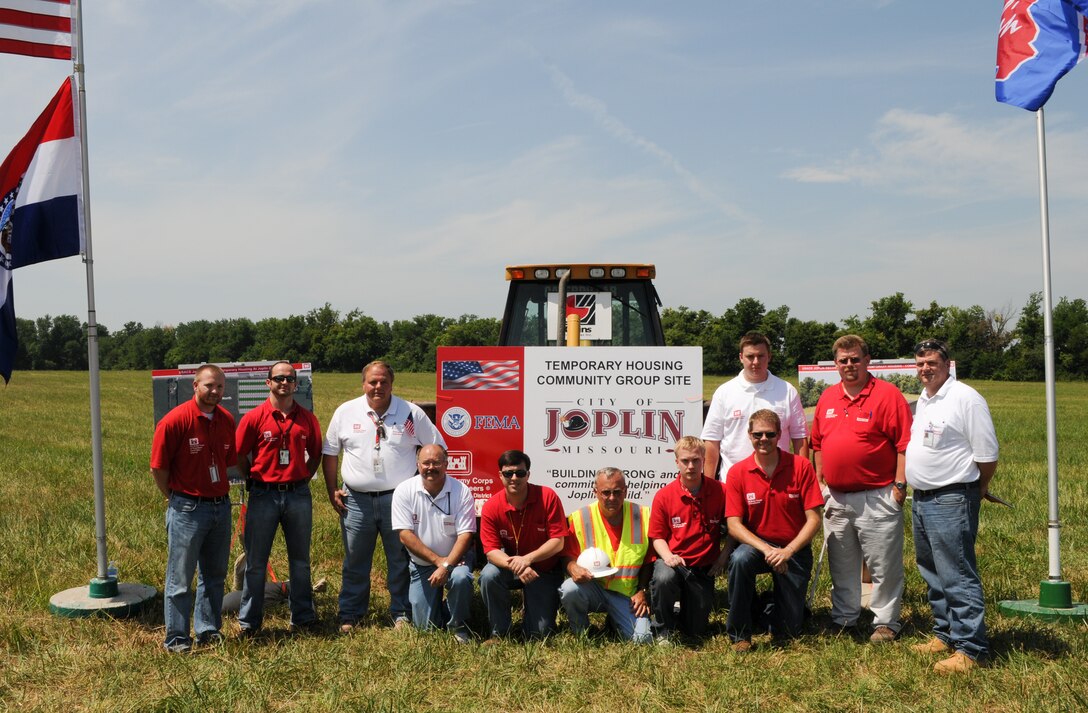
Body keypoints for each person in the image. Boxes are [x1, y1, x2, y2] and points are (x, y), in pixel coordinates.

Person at [322, 360, 446, 633]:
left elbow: (436, 448)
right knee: (355, 559)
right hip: (355, 500)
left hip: (399, 500)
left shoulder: (410, 413)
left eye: (383, 382)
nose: (378, 387)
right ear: (363, 383)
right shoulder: (346, 412)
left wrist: (422, 487)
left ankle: (401, 613)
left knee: (400, 559)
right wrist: (332, 489)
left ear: (392, 384)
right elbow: (330, 452)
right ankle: (350, 614)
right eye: (372, 382)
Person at [809, 335, 912, 642]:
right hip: (837, 497)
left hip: (878, 494)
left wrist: (900, 485)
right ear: (836, 364)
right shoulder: (827, 398)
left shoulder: (888, 395)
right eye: (843, 360)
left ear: (868, 360)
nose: (849, 365)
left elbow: (903, 444)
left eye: (855, 359)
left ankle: (885, 622)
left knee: (883, 565)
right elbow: (817, 444)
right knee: (841, 564)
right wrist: (819, 481)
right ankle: (844, 617)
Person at [906, 339, 998, 674]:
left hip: (952, 498)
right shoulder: (926, 401)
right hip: (923, 498)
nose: (925, 369)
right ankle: (944, 633)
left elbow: (987, 455)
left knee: (957, 573)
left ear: (948, 364)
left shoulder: (965, 398)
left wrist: (978, 488)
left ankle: (970, 648)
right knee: (932, 570)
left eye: (931, 362)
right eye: (920, 363)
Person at [150, 364, 237, 653]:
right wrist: (174, 498)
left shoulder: (225, 420)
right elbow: (158, 467)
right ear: (195, 386)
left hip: (220, 508)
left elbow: (228, 460)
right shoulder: (175, 421)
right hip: (187, 508)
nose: (214, 392)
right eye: (209, 385)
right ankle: (177, 638)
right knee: (179, 579)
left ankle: (208, 630)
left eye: (219, 387)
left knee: (214, 576)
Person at [234, 361, 322, 636]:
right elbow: (239, 454)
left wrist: (302, 478)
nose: (284, 383)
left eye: (290, 379)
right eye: (279, 378)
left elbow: (316, 453)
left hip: (298, 495)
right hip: (263, 494)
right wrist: (253, 479)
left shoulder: (307, 418)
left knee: (300, 561)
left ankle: (303, 617)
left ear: (296, 384)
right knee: (256, 562)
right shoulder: (255, 417)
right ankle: (250, 623)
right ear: (268, 383)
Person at [725, 410, 824, 652]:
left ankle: (768, 606)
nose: (764, 439)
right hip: (758, 547)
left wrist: (787, 551)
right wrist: (768, 550)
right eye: (757, 434)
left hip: (793, 548)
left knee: (788, 631)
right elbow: (734, 524)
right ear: (749, 435)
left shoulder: (800, 466)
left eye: (770, 434)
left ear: (780, 435)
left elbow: (814, 519)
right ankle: (740, 634)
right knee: (739, 559)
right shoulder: (738, 472)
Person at [390, 444, 476, 643]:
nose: (431, 467)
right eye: (426, 463)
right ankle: (444, 608)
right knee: (426, 628)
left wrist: (447, 565)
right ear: (418, 464)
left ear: (446, 464)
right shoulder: (404, 490)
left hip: (456, 562)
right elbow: (405, 535)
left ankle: (458, 626)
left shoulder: (461, 491)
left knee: (462, 578)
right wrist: (438, 562)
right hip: (422, 564)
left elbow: (465, 536)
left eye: (436, 462)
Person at [479, 450, 567, 641]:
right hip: (511, 567)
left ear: (528, 474)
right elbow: (491, 551)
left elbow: (558, 542)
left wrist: (527, 560)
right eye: (508, 473)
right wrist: (517, 565)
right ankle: (499, 632)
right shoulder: (492, 506)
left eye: (520, 473)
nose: (514, 478)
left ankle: (532, 617)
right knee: (488, 575)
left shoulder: (548, 497)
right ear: (500, 475)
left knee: (539, 635)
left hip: (543, 570)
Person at [648, 436, 729, 643]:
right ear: (677, 462)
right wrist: (669, 557)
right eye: (685, 461)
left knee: (695, 631)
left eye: (696, 460)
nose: (691, 466)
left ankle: (682, 610)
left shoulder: (721, 491)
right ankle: (663, 629)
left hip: (703, 568)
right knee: (664, 577)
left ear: (704, 460)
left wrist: (722, 558)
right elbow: (657, 537)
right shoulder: (664, 495)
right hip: (675, 563)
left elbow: (735, 529)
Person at [559, 467, 653, 643]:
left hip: (628, 594)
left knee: (643, 640)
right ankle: (582, 634)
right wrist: (573, 568)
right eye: (606, 492)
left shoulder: (643, 515)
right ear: (595, 491)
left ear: (625, 491)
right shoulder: (581, 517)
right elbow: (567, 555)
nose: (612, 498)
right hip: (594, 588)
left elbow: (650, 561)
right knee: (569, 589)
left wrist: (642, 591)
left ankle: (614, 622)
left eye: (617, 492)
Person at [701, 331, 808, 479]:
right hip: (733, 483)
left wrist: (802, 478)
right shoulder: (724, 392)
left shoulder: (787, 391)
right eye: (750, 356)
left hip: (780, 482)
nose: (756, 362)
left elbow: (799, 438)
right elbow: (712, 441)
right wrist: (709, 485)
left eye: (761, 356)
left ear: (769, 356)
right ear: (741, 357)